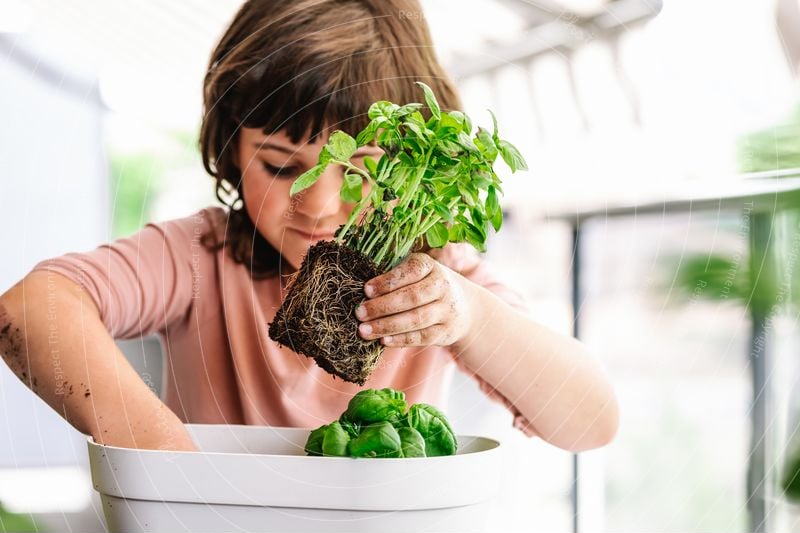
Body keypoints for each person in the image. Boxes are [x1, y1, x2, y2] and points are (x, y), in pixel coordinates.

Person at [0, 0, 618, 454]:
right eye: (279, 164)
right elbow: (30, 309)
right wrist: (161, 452)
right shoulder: (198, 256)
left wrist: (472, 317)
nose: (319, 204)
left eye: (363, 169)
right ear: (231, 150)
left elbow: (591, 423)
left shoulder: (441, 283)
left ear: (416, 167)